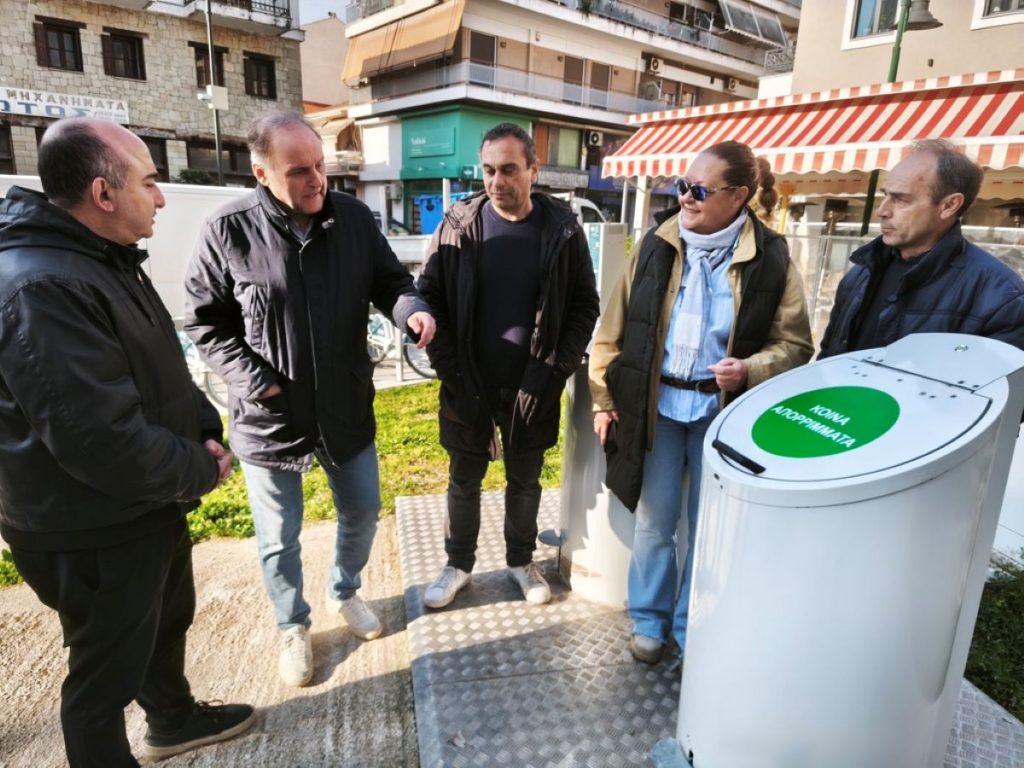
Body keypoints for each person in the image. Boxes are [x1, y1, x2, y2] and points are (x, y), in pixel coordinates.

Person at [0, 118, 254, 767]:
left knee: (164, 623)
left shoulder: (102, 260)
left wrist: (201, 427)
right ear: (103, 193)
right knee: (102, 678)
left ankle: (171, 720)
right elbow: (98, 440)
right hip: (91, 525)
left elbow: (156, 363)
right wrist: (198, 468)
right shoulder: (42, 286)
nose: (162, 197)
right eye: (148, 181)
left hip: (140, 504)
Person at [184, 113, 435, 687]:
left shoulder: (352, 218)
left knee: (364, 510)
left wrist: (411, 309)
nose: (317, 180)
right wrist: (257, 381)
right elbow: (206, 323)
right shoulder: (228, 229)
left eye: (320, 165)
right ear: (262, 173)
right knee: (278, 539)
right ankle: (292, 625)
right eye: (299, 171)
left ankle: (345, 591)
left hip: (345, 406)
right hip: (269, 417)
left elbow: (391, 283)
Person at [589, 140, 813, 664]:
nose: (685, 198)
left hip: (722, 416)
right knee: (654, 524)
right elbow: (612, 328)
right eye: (681, 186)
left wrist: (751, 369)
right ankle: (649, 621)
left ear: (738, 196)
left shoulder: (774, 257)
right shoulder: (655, 243)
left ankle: (694, 631)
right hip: (657, 412)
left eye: (699, 190)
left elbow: (797, 344)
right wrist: (603, 397)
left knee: (711, 533)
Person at [416, 123, 600, 609]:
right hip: (468, 380)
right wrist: (449, 368)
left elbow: (585, 305)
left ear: (533, 170)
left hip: (533, 383)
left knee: (525, 479)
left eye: (509, 169)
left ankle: (521, 561)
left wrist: (554, 370)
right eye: (489, 170)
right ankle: (458, 565)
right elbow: (428, 298)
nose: (497, 181)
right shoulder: (457, 225)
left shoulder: (561, 229)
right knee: (464, 478)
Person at [819, 139, 1024, 357]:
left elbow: (1003, 387)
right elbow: (828, 356)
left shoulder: (1000, 296)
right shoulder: (861, 272)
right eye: (885, 195)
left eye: (901, 199)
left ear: (948, 205)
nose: (882, 210)